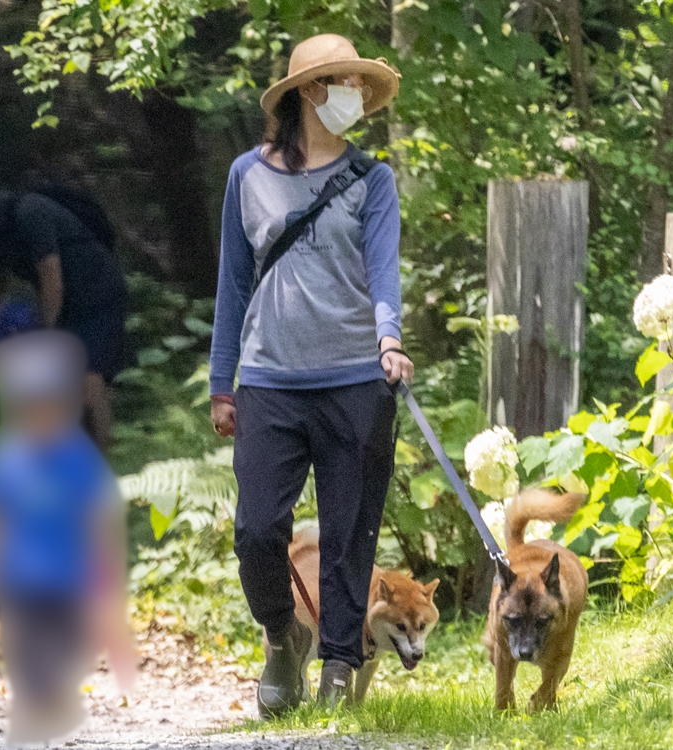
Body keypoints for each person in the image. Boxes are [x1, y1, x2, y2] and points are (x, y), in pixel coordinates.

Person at [209, 33, 413, 718]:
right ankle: (279, 636)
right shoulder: (248, 175)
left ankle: (338, 665)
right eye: (339, 82)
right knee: (258, 529)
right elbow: (233, 285)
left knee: (351, 530)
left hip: (358, 377)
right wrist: (221, 381)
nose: (352, 95)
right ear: (307, 91)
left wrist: (391, 339)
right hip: (269, 378)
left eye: (359, 82)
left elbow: (384, 269)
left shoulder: (372, 179)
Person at [0, 301, 135, 746]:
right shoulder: (4, 458)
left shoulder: (77, 457)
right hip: (21, 581)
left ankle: (53, 696)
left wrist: (106, 571)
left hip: (69, 580)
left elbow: (99, 514)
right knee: (23, 647)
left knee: (69, 646)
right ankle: (39, 703)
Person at [0, 176, 126, 449]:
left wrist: (44, 333)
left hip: (98, 294)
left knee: (88, 377)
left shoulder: (28, 212)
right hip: (66, 303)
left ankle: (101, 462)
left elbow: (50, 276)